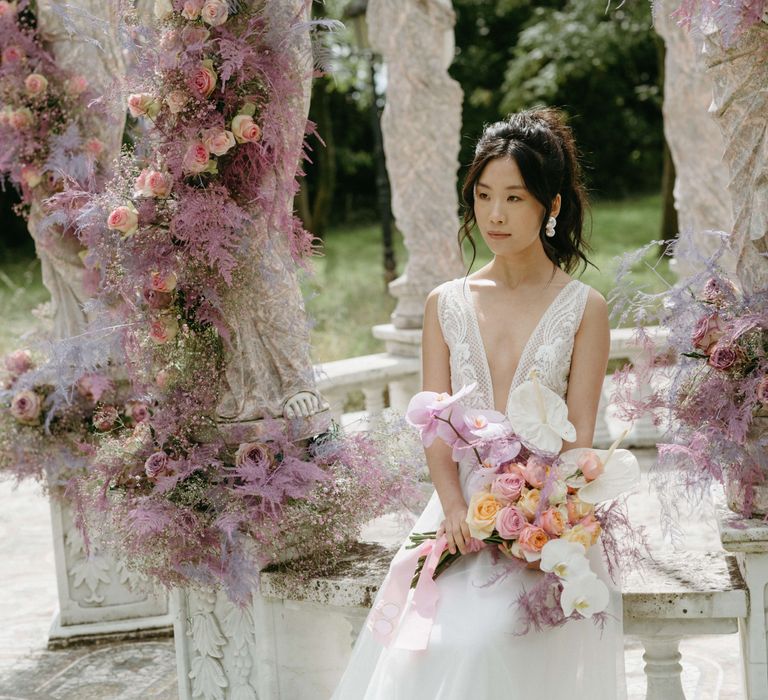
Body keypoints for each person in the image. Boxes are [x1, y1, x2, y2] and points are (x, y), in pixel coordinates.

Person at [332, 108, 625, 699]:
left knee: (488, 642)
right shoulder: (445, 304)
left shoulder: (585, 308)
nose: (494, 214)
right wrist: (455, 506)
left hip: (548, 522)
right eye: (484, 195)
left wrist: (540, 521)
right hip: (460, 516)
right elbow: (434, 424)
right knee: (431, 648)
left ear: (552, 205)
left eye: (515, 198)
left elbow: (578, 441)